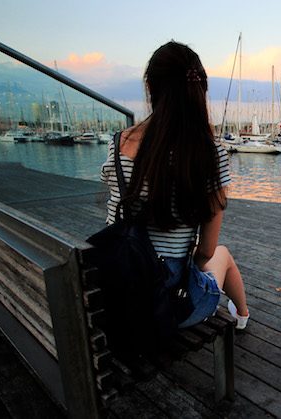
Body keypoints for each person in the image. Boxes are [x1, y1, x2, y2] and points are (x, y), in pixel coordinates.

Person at [100, 41, 249, 330]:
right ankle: (242, 315)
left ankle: (242, 314)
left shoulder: (118, 143)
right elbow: (205, 252)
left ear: (150, 87)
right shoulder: (209, 154)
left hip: (115, 292)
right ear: (198, 90)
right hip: (166, 306)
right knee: (222, 254)